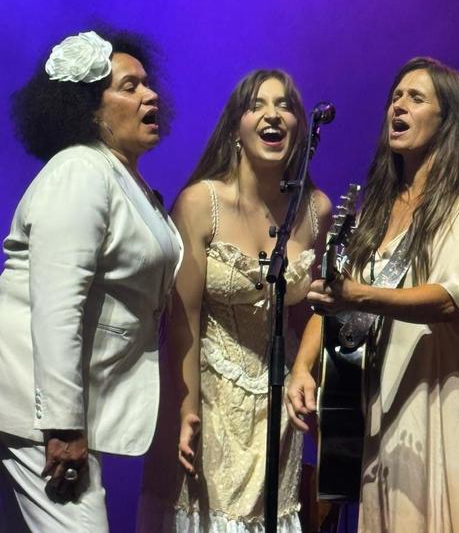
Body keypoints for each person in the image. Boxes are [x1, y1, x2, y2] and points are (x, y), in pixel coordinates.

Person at [286, 57, 459, 533]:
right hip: (382, 406)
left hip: (441, 398)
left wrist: (360, 296)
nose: (398, 106)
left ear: (448, 122)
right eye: (395, 97)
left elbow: (451, 299)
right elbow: (333, 298)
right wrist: (303, 367)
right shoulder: (375, 213)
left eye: (416, 98)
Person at [0, 29, 183, 532]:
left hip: (29, 410)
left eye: (148, 84)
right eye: (129, 86)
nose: (150, 95)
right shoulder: (80, 170)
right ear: (89, 108)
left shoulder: (123, 179)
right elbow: (56, 306)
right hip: (29, 410)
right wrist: (61, 425)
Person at [138, 69, 331, 533]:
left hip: (277, 406)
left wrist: (305, 367)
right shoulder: (200, 203)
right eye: (258, 105)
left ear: (300, 128)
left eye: (285, 105)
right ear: (236, 129)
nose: (273, 114)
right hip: (207, 396)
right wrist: (185, 406)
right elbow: (181, 319)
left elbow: (318, 313)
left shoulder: (317, 210)